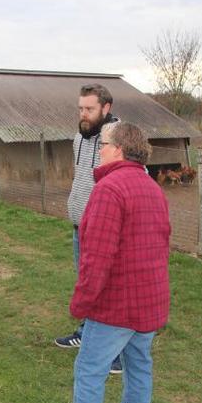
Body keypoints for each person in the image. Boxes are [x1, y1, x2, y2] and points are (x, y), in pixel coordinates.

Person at [69, 121, 171, 403]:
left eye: (103, 145)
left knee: (89, 371)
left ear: (119, 150)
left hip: (115, 306)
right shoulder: (152, 187)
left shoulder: (109, 189)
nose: (99, 152)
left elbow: (96, 257)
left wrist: (81, 302)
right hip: (149, 302)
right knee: (139, 369)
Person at [55, 83, 122, 374]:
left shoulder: (120, 140)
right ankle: (86, 333)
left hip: (104, 230)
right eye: (81, 108)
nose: (83, 114)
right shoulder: (79, 138)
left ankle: (116, 355)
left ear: (106, 109)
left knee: (109, 290)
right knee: (87, 285)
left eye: (90, 109)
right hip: (79, 226)